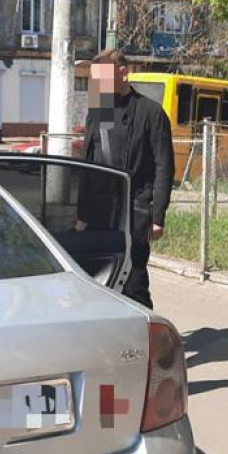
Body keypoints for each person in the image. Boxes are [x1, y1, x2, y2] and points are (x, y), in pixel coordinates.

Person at [76, 48, 173, 309]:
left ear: (123, 73)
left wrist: (157, 216)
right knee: (98, 282)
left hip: (134, 212)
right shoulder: (101, 112)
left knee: (133, 283)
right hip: (101, 213)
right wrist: (82, 213)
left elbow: (164, 166)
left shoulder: (150, 112)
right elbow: (89, 164)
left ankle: (145, 331)